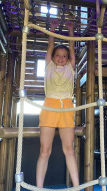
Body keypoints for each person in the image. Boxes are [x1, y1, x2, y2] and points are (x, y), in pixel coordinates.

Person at [36, 19, 79, 188]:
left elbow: (73, 50)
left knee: (69, 150)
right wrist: (52, 29)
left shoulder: (70, 68)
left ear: (68, 59)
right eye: (57, 55)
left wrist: (70, 31)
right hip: (50, 106)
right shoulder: (49, 67)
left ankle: (77, 186)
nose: (61, 58)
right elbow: (49, 47)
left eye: (64, 56)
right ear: (52, 58)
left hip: (67, 106)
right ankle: (39, 187)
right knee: (45, 150)